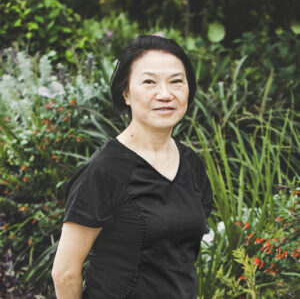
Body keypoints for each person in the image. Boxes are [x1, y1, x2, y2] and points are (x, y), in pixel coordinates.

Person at [52, 35, 214, 299]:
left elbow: (180, 256)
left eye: (176, 81)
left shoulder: (191, 164)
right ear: (125, 93)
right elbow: (65, 272)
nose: (165, 94)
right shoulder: (105, 170)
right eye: (149, 82)